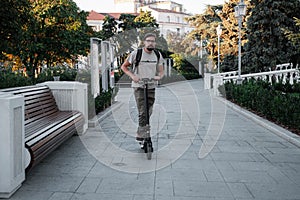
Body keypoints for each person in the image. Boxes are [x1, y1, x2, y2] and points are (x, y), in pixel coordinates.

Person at [121, 33, 164, 141]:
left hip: (151, 86)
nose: (151, 43)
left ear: (155, 43)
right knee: (143, 111)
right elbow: (124, 67)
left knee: (149, 111)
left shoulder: (157, 55)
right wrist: (133, 76)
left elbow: (161, 71)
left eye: (153, 41)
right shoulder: (136, 53)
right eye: (148, 41)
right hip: (139, 86)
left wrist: (159, 77)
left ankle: (143, 129)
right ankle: (141, 133)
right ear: (144, 42)